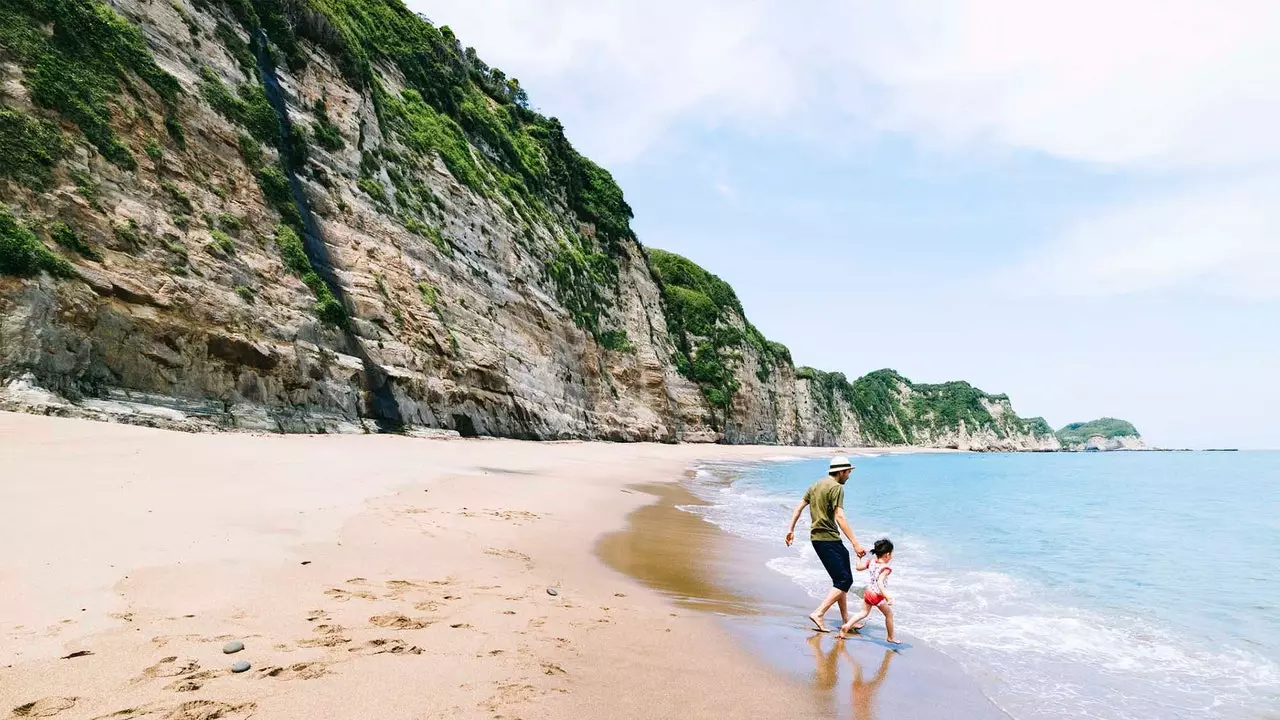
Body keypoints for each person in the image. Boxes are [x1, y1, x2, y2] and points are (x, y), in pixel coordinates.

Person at [786, 456, 866, 632]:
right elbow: (840, 517)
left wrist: (790, 529)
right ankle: (819, 613)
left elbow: (799, 507)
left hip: (823, 539)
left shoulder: (815, 485)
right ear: (841, 472)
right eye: (848, 472)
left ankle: (846, 620)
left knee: (841, 579)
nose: (849, 476)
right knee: (845, 580)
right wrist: (856, 543)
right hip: (827, 539)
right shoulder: (836, 488)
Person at [839, 538, 898, 644]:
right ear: (887, 555)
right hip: (877, 596)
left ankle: (847, 626)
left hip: (868, 593)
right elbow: (880, 583)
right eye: (892, 554)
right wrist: (887, 596)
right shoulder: (885, 569)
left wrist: (858, 558)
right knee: (889, 615)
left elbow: (858, 567)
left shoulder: (871, 562)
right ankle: (891, 637)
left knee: (863, 613)